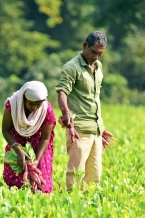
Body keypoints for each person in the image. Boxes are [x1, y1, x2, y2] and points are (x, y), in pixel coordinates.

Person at [55, 31, 113, 191]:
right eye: (94, 52)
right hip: (79, 130)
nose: (96, 57)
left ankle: (89, 209)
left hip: (95, 131)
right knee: (75, 172)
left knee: (94, 176)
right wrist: (66, 114)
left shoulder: (98, 67)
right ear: (85, 46)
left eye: (100, 54)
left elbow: (93, 99)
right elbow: (62, 92)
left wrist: (99, 128)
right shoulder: (71, 68)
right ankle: (70, 204)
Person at [2, 81, 56, 193]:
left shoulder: (46, 110)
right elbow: (5, 130)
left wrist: (36, 159)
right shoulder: (13, 105)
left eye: (38, 104)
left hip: (39, 145)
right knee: (16, 185)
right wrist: (18, 150)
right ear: (24, 99)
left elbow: (45, 138)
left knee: (42, 187)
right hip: (17, 143)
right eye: (31, 104)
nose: (35, 107)